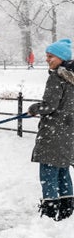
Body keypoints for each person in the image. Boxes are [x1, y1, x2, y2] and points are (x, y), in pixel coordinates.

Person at [27, 38, 74, 221]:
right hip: (68, 132)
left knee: (48, 171)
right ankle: (66, 209)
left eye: (50, 56)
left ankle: (49, 210)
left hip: (54, 132)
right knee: (62, 170)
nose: (47, 59)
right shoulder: (71, 77)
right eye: (47, 56)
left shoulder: (57, 77)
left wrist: (34, 109)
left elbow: (50, 105)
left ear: (61, 58)